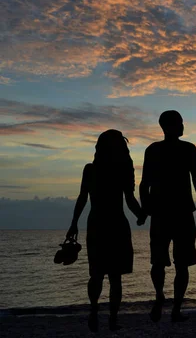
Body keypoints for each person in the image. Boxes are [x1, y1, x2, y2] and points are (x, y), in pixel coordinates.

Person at [66, 129, 146, 332]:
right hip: (115, 224)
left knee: (97, 274)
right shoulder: (122, 169)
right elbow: (129, 200)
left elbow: (83, 198)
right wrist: (141, 215)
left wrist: (74, 222)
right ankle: (110, 318)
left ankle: (96, 312)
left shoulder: (91, 169)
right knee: (113, 277)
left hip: (98, 224)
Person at [140, 110, 196, 322]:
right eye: (180, 122)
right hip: (181, 214)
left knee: (159, 263)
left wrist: (146, 209)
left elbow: (144, 184)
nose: (183, 126)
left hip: (161, 214)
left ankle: (161, 297)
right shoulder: (188, 149)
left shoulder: (153, 150)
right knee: (182, 264)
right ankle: (175, 309)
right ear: (169, 126)